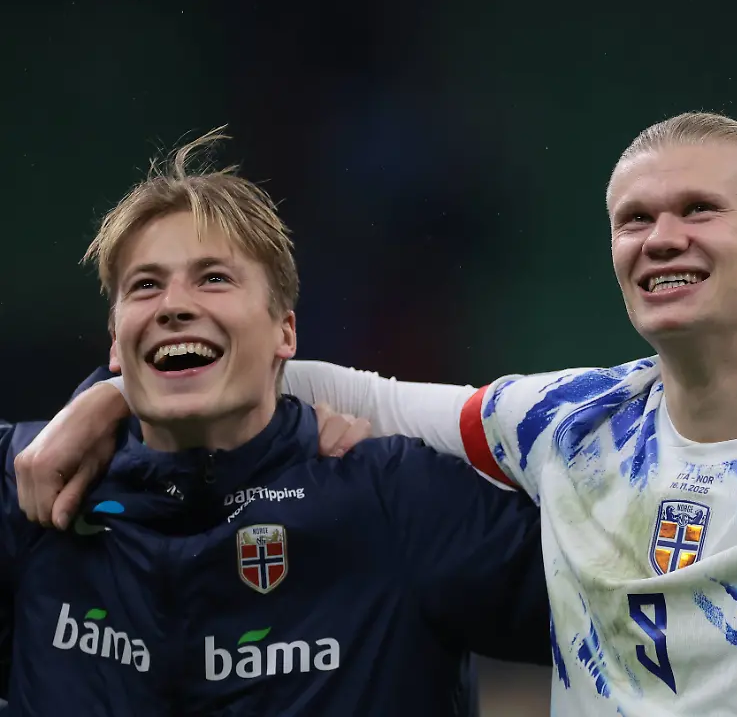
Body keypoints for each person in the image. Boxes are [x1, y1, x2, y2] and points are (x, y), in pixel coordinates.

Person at [24, 113, 737, 715]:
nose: (658, 236)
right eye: (632, 218)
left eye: (694, 210)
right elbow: (310, 380)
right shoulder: (565, 426)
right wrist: (114, 394)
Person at [0, 132, 559, 715]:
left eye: (214, 278)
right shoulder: (28, 488)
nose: (173, 305)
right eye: (145, 286)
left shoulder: (394, 498)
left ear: (285, 334)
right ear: (115, 343)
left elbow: (618, 605)